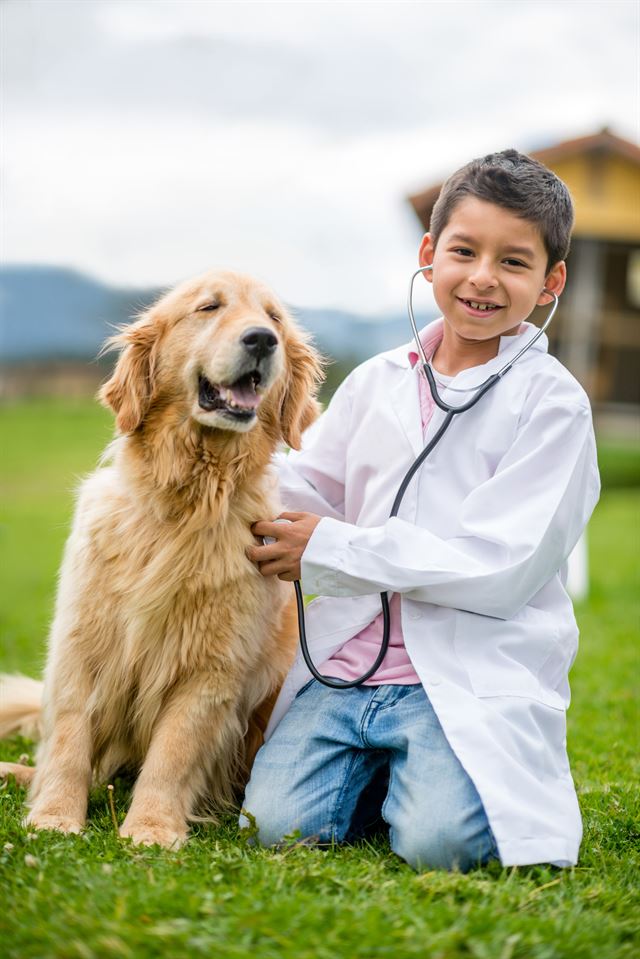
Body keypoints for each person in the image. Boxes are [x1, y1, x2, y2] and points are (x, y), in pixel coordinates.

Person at [243, 149, 600, 871]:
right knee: (273, 826)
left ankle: (428, 779)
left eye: (514, 261)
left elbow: (500, 565)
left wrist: (333, 548)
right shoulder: (377, 380)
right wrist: (226, 467)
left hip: (461, 677)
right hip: (348, 665)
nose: (482, 277)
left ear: (550, 282)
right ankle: (395, 774)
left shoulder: (553, 403)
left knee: (444, 844)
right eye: (465, 251)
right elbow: (311, 487)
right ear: (430, 253)